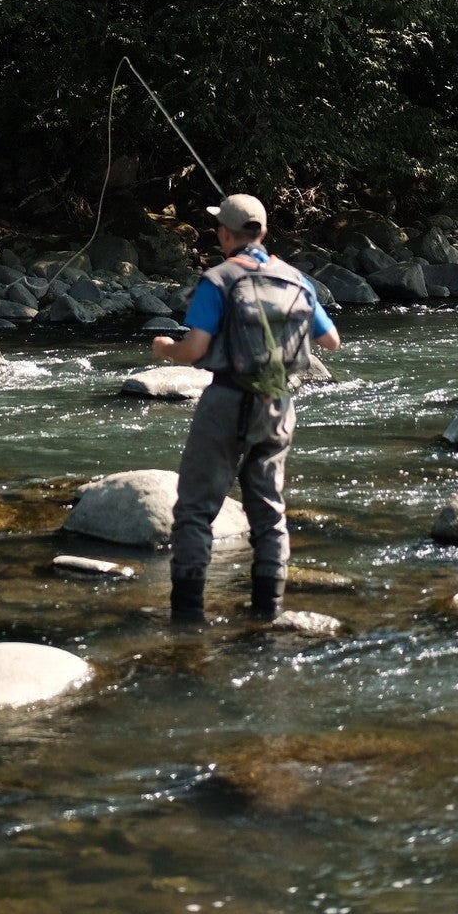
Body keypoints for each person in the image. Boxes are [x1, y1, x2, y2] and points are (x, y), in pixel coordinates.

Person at [150, 193, 340, 623]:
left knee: (195, 511)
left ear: (223, 234)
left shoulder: (218, 279)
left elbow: (196, 348)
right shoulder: (297, 280)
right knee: (270, 514)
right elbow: (330, 341)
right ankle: (268, 612)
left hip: (226, 403)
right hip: (279, 405)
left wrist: (165, 349)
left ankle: (187, 618)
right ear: (264, 232)